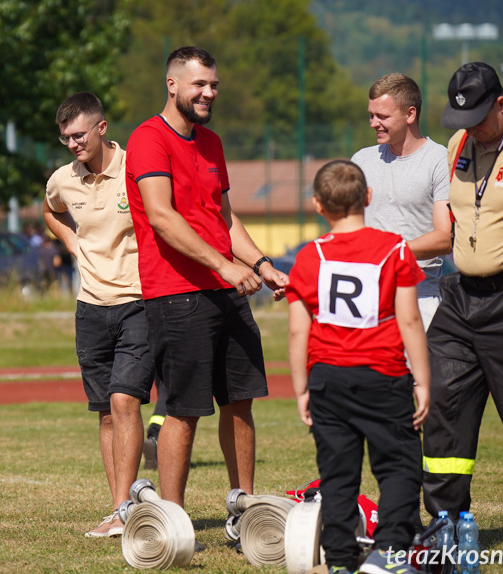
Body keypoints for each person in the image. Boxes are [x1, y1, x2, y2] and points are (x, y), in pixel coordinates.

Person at [125, 46, 287, 523]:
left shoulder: (211, 143)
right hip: (177, 294)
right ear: (172, 84)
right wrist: (225, 266)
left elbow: (225, 217)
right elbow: (161, 216)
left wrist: (260, 263)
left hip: (225, 290)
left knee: (241, 401)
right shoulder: (148, 139)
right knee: (184, 409)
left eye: (213, 84)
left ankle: (244, 509)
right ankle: (172, 519)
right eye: (199, 84)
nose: (209, 92)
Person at [423, 62, 503, 567]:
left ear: (502, 104)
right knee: (444, 413)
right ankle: (445, 527)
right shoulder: (458, 146)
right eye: (462, 119)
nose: (470, 129)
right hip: (460, 299)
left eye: (478, 117)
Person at [287, 159, 429, 574]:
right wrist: (422, 379)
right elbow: (409, 320)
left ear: (317, 204)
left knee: (337, 476)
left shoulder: (308, 257)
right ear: (368, 198)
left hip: (329, 378)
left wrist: (301, 389)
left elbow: (299, 333)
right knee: (400, 466)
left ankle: (342, 562)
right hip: (384, 376)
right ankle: (386, 554)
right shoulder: (395, 249)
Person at [43, 92, 155, 538]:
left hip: (139, 302)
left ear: (102, 128)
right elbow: (50, 210)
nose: (73, 144)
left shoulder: (137, 167)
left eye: (79, 134)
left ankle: (127, 508)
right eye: (66, 138)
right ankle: (117, 510)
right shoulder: (61, 180)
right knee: (106, 413)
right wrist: (70, 242)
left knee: (126, 401)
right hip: (90, 308)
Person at [351, 73, 451, 330]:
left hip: (420, 295)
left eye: (382, 116)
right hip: (365, 293)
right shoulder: (361, 160)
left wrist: (390, 253)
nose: (374, 123)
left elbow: (445, 237)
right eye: (371, 115)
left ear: (410, 114)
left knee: (418, 371)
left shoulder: (441, 160)